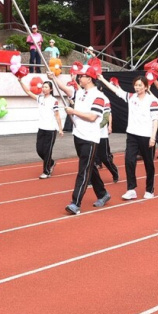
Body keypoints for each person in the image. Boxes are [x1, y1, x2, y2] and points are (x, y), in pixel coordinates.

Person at [52, 64, 110, 214]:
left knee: (83, 170)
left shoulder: (99, 96)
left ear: (89, 78)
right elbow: (66, 89)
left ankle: (75, 203)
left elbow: (92, 117)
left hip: (90, 138)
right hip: (78, 135)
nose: (79, 77)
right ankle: (103, 194)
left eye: (81, 76)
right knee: (89, 167)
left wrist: (74, 112)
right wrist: (53, 78)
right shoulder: (80, 92)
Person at [102, 74, 156, 199]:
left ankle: (150, 189)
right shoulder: (131, 97)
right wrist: (101, 79)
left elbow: (155, 120)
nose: (137, 88)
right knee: (129, 161)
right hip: (132, 134)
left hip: (146, 135)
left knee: (149, 163)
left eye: (140, 85)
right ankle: (131, 189)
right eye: (136, 85)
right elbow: (116, 90)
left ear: (146, 87)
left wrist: (153, 137)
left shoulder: (151, 101)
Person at [17, 73, 62, 178]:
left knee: (47, 150)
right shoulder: (40, 98)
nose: (44, 88)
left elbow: (57, 115)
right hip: (41, 128)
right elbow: (28, 92)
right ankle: (50, 162)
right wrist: (20, 82)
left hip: (51, 130)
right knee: (39, 150)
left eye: (46, 87)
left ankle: (46, 172)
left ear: (50, 89)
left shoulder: (54, 101)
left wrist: (60, 129)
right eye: (43, 86)